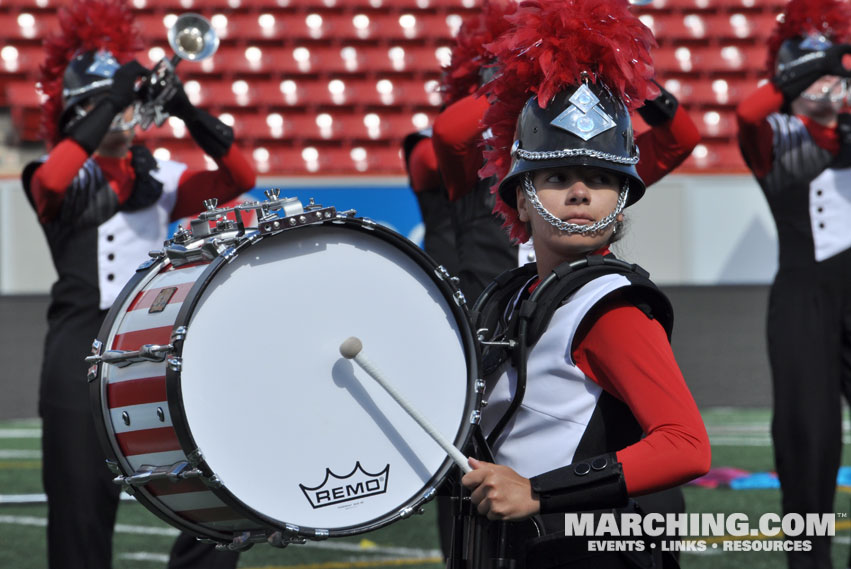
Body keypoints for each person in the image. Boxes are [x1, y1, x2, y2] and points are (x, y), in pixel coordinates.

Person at [455, 0, 711, 566]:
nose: (579, 192)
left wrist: (540, 492)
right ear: (521, 198)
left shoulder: (610, 309)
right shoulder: (516, 293)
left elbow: (687, 446)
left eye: (599, 178)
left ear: (620, 206)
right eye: (557, 176)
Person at [20, 1, 256, 568]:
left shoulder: (159, 176)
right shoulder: (53, 173)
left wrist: (185, 108)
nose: (126, 115)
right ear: (84, 112)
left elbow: (241, 177)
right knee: (80, 505)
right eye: (111, 107)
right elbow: (55, 175)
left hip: (152, 343)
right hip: (79, 346)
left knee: (213, 480)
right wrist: (113, 96)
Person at [430, 0, 700, 303]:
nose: (580, 189)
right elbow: (448, 132)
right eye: (558, 178)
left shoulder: (599, 161)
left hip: (573, 317)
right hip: (490, 326)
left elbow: (681, 138)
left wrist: (625, 71)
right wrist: (522, 79)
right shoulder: (472, 165)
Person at [736, 0, 851, 567]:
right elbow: (747, 113)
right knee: (808, 439)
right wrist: (825, 60)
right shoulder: (777, 133)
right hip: (803, 299)